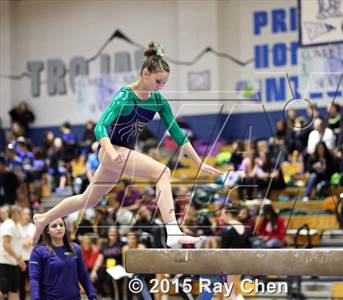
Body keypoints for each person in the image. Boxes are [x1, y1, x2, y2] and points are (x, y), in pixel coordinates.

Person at [32, 41, 222, 248]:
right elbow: (100, 128)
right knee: (162, 172)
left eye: (164, 83)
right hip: (110, 152)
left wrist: (199, 163)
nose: (160, 87)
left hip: (121, 154)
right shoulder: (124, 97)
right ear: (145, 74)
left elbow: (177, 134)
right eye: (158, 81)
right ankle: (173, 231)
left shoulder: (158, 101)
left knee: (88, 199)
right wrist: (112, 153)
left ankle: (43, 218)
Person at [29, 217, 99, 300]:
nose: (59, 228)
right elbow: (34, 279)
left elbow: (83, 275)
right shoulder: (39, 251)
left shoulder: (75, 248)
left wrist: (92, 297)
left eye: (61, 225)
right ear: (47, 230)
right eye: (54, 226)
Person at [0, 205, 25, 300]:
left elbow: (15, 245)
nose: (22, 216)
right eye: (21, 213)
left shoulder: (15, 225)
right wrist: (18, 259)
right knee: (3, 290)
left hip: (12, 263)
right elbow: (6, 245)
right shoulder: (9, 224)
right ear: (15, 214)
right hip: (5, 262)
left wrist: (19, 260)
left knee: (13, 290)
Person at [18, 207, 35, 300]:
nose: (27, 216)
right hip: (19, 260)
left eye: (28, 214)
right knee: (20, 285)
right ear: (21, 215)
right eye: (25, 214)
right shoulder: (17, 227)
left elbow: (27, 244)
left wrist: (24, 241)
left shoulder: (32, 227)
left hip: (31, 259)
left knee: (32, 283)